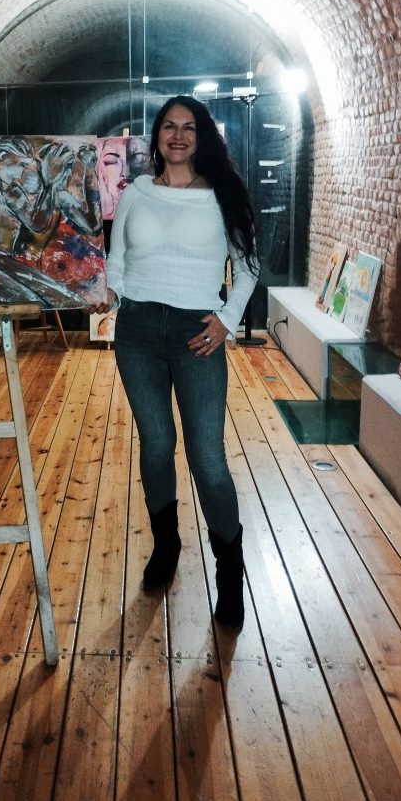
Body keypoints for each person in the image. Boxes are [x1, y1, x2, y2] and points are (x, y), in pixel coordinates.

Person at [92, 96, 259, 627]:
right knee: (157, 443)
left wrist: (227, 319)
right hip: (138, 331)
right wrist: (106, 293)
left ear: (201, 136)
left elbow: (248, 267)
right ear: (157, 135)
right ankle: (166, 546)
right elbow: (118, 262)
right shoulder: (135, 192)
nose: (179, 135)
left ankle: (229, 571)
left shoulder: (221, 195)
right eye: (169, 126)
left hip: (197, 335)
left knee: (207, 458)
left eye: (189, 127)